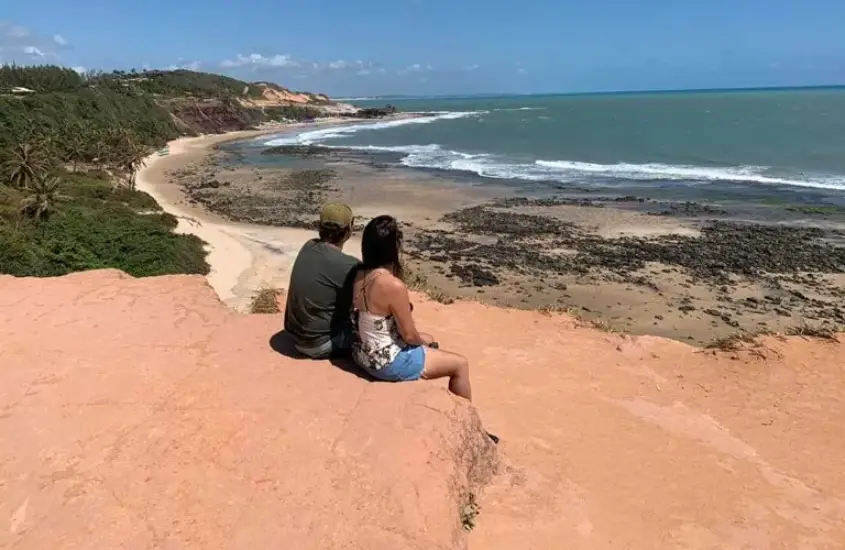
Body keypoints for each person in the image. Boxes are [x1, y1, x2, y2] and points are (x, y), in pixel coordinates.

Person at [350, 215, 472, 401]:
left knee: (429, 339)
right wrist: (422, 343)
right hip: (385, 364)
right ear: (393, 249)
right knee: (460, 364)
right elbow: (408, 336)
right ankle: (465, 419)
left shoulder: (358, 274)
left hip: (362, 354)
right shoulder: (393, 285)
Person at [284, 203, 360, 358]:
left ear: (320, 227)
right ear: (349, 230)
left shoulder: (309, 245)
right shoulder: (349, 265)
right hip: (319, 344)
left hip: (293, 336)